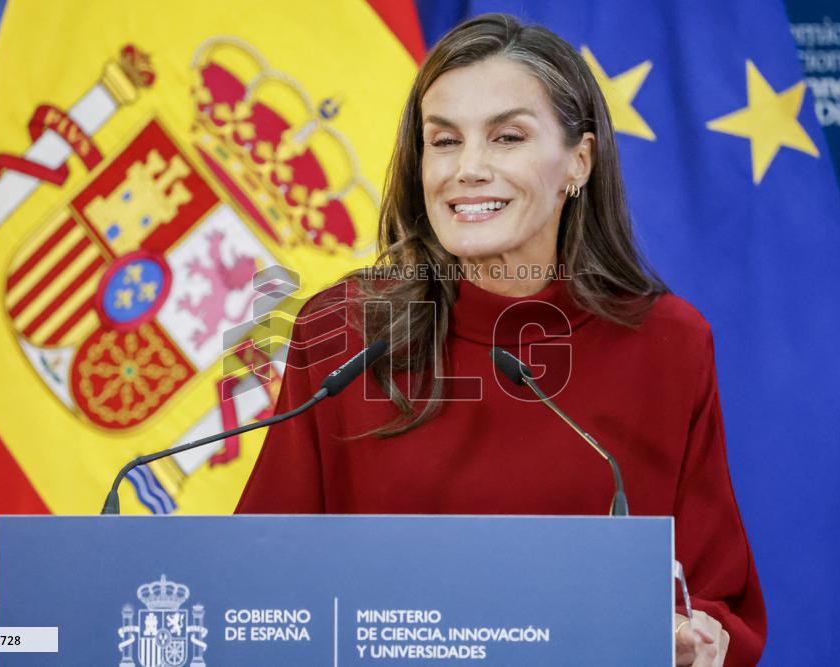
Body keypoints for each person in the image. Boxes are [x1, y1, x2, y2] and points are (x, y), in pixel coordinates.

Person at [236, 13, 765, 667]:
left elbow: (715, 595)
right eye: (445, 141)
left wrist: (699, 639)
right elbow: (254, 589)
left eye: (507, 137)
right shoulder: (343, 332)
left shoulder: (668, 343)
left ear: (580, 160)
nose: (470, 169)